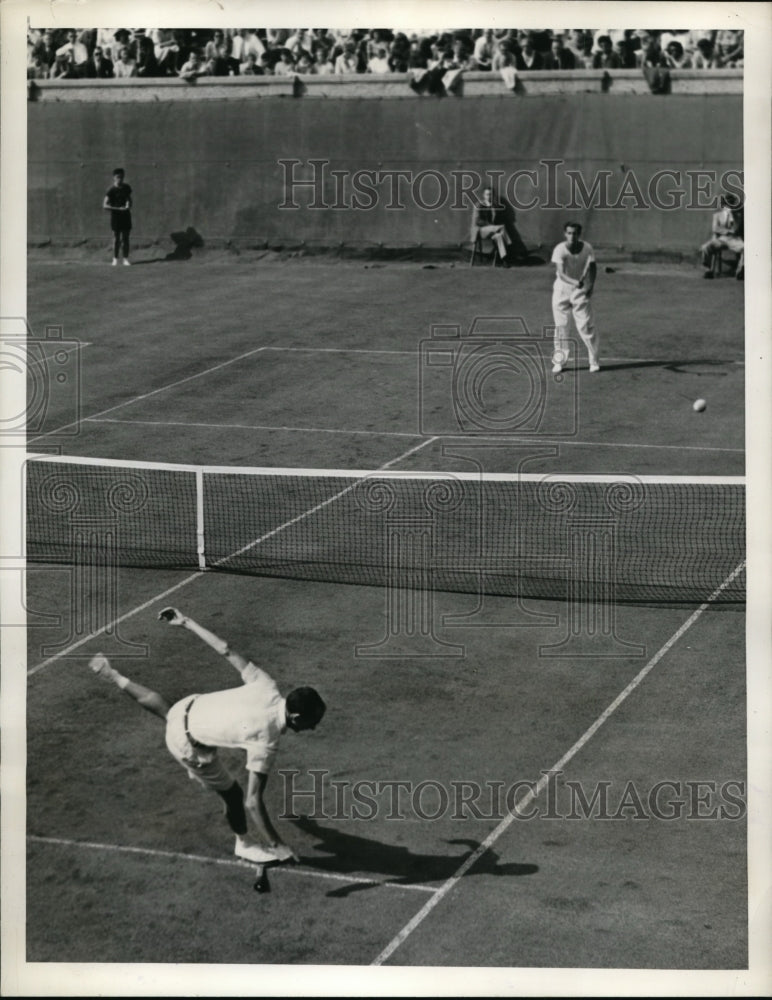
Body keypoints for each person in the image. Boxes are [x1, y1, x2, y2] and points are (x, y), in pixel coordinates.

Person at [88, 607, 326, 865]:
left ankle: (114, 675)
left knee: (170, 714)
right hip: (187, 745)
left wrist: (186, 622)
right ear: (297, 718)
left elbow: (225, 649)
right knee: (233, 795)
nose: (313, 728)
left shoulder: (267, 684)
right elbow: (252, 801)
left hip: (188, 706)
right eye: (313, 723)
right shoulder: (267, 740)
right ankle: (243, 844)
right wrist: (277, 845)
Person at [551, 222, 600, 373]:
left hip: (580, 291)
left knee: (586, 326)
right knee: (561, 327)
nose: (572, 236)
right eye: (569, 233)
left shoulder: (587, 248)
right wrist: (574, 282)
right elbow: (561, 273)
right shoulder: (559, 249)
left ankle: (594, 361)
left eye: (575, 233)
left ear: (579, 235)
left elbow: (592, 266)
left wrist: (590, 286)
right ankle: (559, 361)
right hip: (561, 290)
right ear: (565, 234)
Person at [700, 195, 744, 279]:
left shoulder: (738, 216)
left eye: (731, 204)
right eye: (727, 204)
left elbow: (735, 230)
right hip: (721, 239)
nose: (729, 206)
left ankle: (740, 272)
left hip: (734, 240)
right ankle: (708, 270)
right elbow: (715, 228)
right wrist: (727, 231)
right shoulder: (717, 215)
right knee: (706, 247)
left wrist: (732, 215)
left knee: (745, 249)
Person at [472, 186, 512, 265]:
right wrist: (491, 226)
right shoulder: (479, 205)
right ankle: (509, 245)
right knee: (502, 227)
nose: (489, 196)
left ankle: (504, 260)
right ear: (484, 195)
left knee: (499, 236)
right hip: (480, 231)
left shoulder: (494, 206)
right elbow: (477, 221)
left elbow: (495, 221)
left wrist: (493, 209)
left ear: (493, 196)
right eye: (487, 194)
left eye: (490, 194)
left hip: (492, 231)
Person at [103, 167, 133, 266]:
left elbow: (129, 199)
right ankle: (115, 259)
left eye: (122, 177)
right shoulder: (111, 190)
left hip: (126, 217)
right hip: (116, 217)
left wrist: (128, 204)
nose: (120, 179)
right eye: (118, 177)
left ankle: (125, 259)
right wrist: (118, 209)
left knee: (125, 238)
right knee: (116, 239)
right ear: (114, 178)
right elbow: (105, 205)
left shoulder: (127, 188)